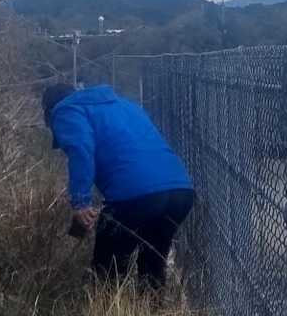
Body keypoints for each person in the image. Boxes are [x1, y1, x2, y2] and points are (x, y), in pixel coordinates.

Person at [42, 81, 194, 289]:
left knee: (107, 269)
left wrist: (81, 202)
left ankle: (106, 306)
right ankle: (149, 309)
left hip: (138, 194)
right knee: (152, 264)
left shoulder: (65, 110)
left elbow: (80, 150)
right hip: (180, 191)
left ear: (49, 112)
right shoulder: (124, 104)